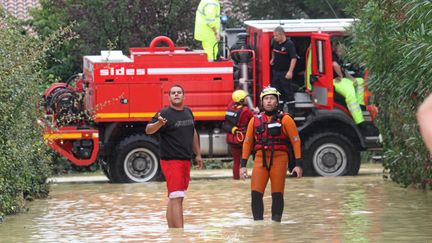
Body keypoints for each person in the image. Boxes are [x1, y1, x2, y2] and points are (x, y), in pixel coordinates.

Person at [240, 86, 303, 222]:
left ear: (277, 101)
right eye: (266, 99)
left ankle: (276, 226)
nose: (269, 101)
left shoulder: (286, 119)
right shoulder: (254, 120)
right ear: (262, 103)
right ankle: (258, 226)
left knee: (277, 194)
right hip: (260, 160)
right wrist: (243, 166)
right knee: (256, 195)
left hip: (279, 159)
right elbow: (247, 142)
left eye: (272, 99)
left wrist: (298, 165)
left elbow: (296, 142)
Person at [145, 84, 204, 228]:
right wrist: (159, 124)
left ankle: (173, 232)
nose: (176, 94)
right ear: (169, 97)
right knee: (177, 197)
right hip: (171, 160)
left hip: (185, 160)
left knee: (175, 197)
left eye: (179, 92)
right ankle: (180, 234)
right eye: (173, 93)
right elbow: (148, 130)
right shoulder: (164, 113)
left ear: (183, 96)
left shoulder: (188, 112)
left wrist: (198, 154)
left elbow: (193, 132)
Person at [222, 90, 254, 179]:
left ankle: (236, 178)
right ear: (241, 100)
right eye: (245, 98)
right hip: (241, 138)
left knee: (236, 160)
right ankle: (243, 176)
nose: (247, 100)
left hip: (231, 137)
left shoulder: (230, 107)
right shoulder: (245, 110)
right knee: (244, 159)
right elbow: (253, 120)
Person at [332, 44, 366, 126]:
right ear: (338, 51)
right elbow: (335, 65)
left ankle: (361, 104)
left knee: (360, 81)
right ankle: (359, 121)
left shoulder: (339, 57)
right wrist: (340, 75)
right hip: (335, 80)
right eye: (342, 52)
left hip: (342, 79)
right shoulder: (333, 56)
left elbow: (344, 70)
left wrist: (352, 79)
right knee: (350, 94)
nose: (343, 54)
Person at [270, 26, 298, 115]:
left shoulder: (289, 44)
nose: (274, 37)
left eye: (276, 36)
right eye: (274, 36)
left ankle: (291, 112)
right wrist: (272, 59)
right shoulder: (274, 42)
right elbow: (273, 50)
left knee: (288, 92)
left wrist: (290, 71)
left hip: (285, 72)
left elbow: (294, 58)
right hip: (276, 71)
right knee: (277, 91)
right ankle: (279, 110)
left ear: (282, 35)